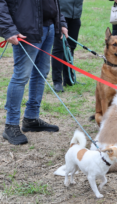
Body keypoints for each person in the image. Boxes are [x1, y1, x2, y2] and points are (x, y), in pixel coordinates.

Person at [0, 0, 68, 145]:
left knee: (41, 73)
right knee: (21, 76)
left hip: (48, 28)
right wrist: (8, 29)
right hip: (26, 31)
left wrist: (60, 21)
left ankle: (31, 118)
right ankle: (11, 125)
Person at [52, 0, 84, 92]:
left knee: (71, 47)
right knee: (59, 49)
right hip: (61, 14)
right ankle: (57, 81)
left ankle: (69, 78)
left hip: (76, 14)